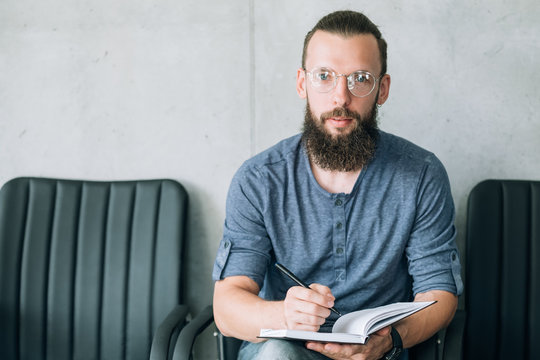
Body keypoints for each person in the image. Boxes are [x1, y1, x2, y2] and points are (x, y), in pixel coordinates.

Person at [212, 10, 463, 360]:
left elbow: (439, 296)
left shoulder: (421, 174)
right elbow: (226, 307)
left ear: (382, 89)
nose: (340, 97)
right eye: (324, 76)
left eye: (360, 79)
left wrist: (390, 340)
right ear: (302, 83)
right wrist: (284, 313)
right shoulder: (258, 179)